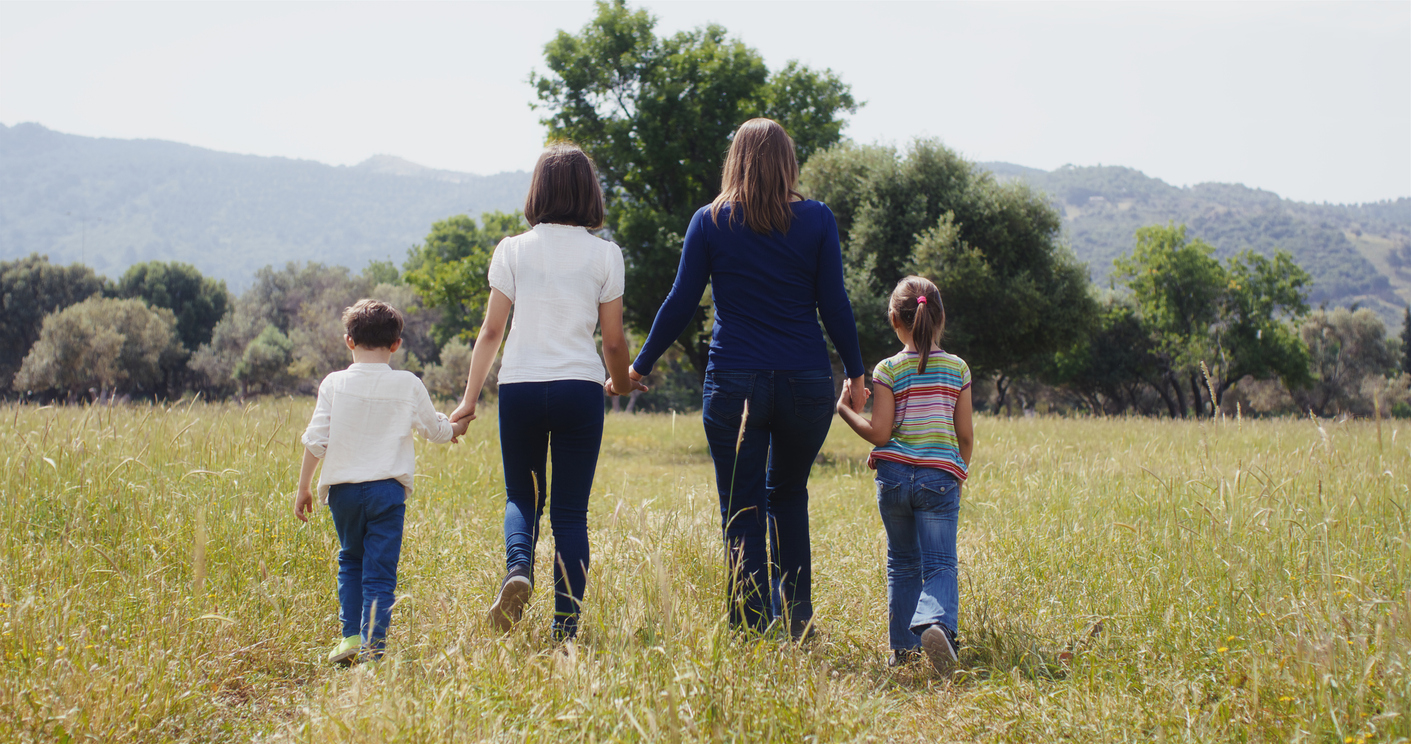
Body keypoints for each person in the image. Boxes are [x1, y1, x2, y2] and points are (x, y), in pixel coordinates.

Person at [629, 118, 866, 637]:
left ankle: (751, 625)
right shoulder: (819, 219)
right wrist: (855, 372)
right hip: (806, 382)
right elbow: (835, 304)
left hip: (735, 382)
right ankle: (797, 615)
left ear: (735, 160)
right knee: (788, 494)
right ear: (788, 163)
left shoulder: (709, 221)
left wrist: (640, 364)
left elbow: (681, 302)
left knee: (742, 507)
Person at [450, 142, 641, 641]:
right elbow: (614, 341)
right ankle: (565, 630)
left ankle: (518, 569)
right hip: (579, 387)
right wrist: (619, 385)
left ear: (538, 190)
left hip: (521, 386)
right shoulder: (605, 254)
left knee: (521, 494)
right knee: (570, 512)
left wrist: (469, 400)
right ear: (589, 193)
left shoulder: (512, 248)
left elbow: (491, 332)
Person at [294, 299, 469, 665]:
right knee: (380, 569)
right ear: (396, 344)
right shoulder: (407, 383)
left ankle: (350, 638)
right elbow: (434, 431)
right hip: (387, 491)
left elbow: (316, 439)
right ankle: (374, 646)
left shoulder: (334, 383)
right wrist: (455, 427)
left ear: (349, 341)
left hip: (342, 492)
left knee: (351, 560)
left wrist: (304, 487)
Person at [834, 276, 974, 673]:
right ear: (940, 316)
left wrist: (845, 409)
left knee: (902, 562)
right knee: (941, 564)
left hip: (893, 479)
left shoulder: (887, 369)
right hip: (938, 478)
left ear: (894, 318)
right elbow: (964, 435)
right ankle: (936, 624)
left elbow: (880, 433)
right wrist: (958, 469)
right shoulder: (957, 369)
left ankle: (904, 651)